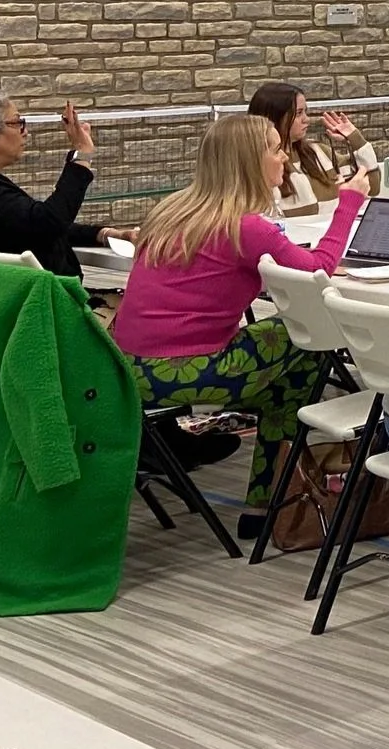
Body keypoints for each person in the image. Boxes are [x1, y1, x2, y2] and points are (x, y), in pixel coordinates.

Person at [112, 115, 366, 522]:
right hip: (188, 370)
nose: (284, 157)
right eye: (275, 148)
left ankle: (273, 496)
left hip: (125, 371)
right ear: (251, 160)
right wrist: (348, 203)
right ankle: (273, 495)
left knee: (285, 381)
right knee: (306, 337)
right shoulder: (246, 228)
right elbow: (318, 270)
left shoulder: (170, 211)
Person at [0, 90, 133, 372]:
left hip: (6, 315)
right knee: (139, 314)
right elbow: (46, 224)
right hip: (44, 320)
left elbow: (28, 225)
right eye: (18, 122)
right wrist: (82, 157)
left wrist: (102, 233)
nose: (25, 131)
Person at [246, 81, 381, 214]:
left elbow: (372, 187)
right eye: (298, 113)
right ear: (275, 117)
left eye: (305, 112)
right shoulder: (257, 165)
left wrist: (355, 138)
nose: (307, 119)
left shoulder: (320, 153)